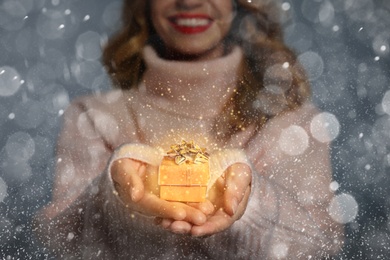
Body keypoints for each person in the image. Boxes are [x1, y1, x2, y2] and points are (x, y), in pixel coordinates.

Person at [34, 0, 344, 259]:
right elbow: (64, 244)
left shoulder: (292, 123)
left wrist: (249, 204)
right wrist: (119, 200)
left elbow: (320, 247)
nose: (189, 1)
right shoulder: (93, 116)